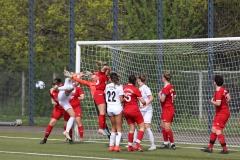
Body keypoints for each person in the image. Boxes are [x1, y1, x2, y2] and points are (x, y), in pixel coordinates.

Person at [72, 64, 111, 136]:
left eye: (95, 75)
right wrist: (74, 77)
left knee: (106, 114)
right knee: (101, 114)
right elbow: (81, 81)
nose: (95, 76)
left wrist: (92, 73)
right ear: (93, 79)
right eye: (93, 76)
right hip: (97, 98)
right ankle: (104, 129)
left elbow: (106, 74)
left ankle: (106, 130)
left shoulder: (102, 78)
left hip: (103, 97)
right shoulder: (90, 83)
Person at [201, 75, 231, 154]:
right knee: (213, 129)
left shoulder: (218, 91)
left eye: (214, 81)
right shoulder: (223, 89)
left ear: (215, 82)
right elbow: (229, 98)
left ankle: (225, 149)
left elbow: (218, 103)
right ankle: (210, 148)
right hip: (222, 112)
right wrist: (224, 104)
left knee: (218, 130)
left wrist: (212, 101)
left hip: (222, 113)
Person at [40, 78, 74, 144]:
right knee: (52, 122)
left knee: (67, 123)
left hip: (65, 107)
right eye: (52, 86)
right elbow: (52, 97)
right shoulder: (51, 90)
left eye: (54, 86)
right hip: (58, 108)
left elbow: (70, 88)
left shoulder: (63, 87)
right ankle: (45, 139)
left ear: (58, 85)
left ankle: (70, 139)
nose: (53, 87)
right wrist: (52, 101)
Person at [132, 74, 156, 150]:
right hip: (140, 110)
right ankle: (134, 143)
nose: (137, 81)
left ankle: (153, 145)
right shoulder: (138, 88)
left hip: (147, 110)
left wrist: (145, 105)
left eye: (137, 79)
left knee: (146, 127)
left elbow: (151, 98)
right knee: (134, 125)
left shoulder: (146, 88)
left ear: (139, 80)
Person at [123, 75, 146, 152]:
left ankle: (130, 146)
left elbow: (122, 98)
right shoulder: (136, 89)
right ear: (135, 81)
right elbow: (142, 101)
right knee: (142, 127)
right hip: (134, 110)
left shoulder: (124, 88)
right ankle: (137, 144)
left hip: (126, 110)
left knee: (132, 128)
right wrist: (144, 102)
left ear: (128, 80)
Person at [54, 72, 76, 140]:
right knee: (70, 87)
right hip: (61, 97)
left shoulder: (74, 84)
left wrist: (80, 75)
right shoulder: (68, 80)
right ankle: (57, 89)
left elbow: (77, 82)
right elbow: (70, 79)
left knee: (73, 115)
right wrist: (73, 76)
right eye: (73, 75)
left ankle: (66, 131)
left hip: (64, 101)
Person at [106, 72, 124, 152]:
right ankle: (117, 146)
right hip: (117, 107)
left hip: (109, 108)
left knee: (113, 127)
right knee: (119, 127)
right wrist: (126, 99)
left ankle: (111, 146)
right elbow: (121, 99)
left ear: (110, 78)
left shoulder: (107, 86)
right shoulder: (119, 87)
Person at [158, 71, 176, 150]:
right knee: (162, 125)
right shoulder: (171, 86)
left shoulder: (166, 88)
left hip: (168, 109)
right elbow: (174, 96)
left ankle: (172, 144)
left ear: (164, 79)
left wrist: (159, 94)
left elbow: (162, 99)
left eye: (162, 77)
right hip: (167, 108)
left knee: (167, 128)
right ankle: (165, 143)